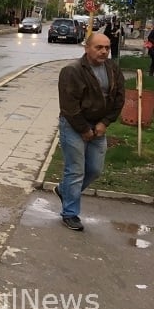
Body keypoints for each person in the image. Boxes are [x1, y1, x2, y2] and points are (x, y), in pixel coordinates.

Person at [56, 32, 125, 231]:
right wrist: (84, 129)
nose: (104, 51)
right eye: (99, 47)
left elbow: (119, 98)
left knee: (94, 169)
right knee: (75, 170)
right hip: (74, 124)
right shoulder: (72, 70)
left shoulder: (112, 69)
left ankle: (64, 190)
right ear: (87, 48)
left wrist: (105, 123)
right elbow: (69, 106)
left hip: (99, 126)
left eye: (107, 48)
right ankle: (70, 213)